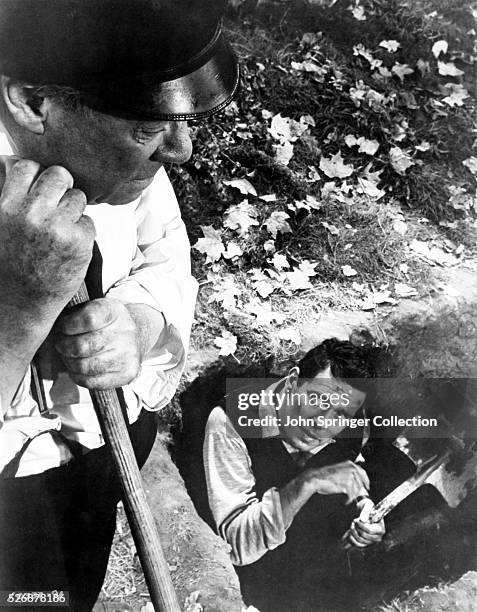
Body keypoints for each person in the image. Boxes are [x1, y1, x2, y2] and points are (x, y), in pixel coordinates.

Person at [0, 1, 239, 610]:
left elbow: (163, 255)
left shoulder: (120, 159)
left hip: (101, 450)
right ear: (31, 100)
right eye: (148, 123)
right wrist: (20, 313)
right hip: (8, 494)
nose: (181, 150)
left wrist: (137, 323)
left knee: (67, 591)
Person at [203, 339, 398, 612]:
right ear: (293, 380)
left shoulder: (354, 427)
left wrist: (364, 510)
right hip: (249, 578)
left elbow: (353, 472)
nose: (322, 422)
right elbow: (237, 546)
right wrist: (309, 481)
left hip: (308, 569)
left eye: (340, 413)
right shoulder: (230, 421)